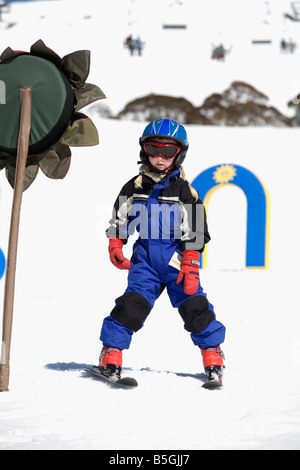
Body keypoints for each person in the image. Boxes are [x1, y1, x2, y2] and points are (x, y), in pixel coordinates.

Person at [98, 119, 226, 385]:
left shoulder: (185, 191)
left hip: (176, 261)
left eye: (167, 152)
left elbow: (197, 229)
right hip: (144, 260)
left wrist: (191, 262)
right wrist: (115, 244)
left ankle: (212, 353)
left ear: (179, 153)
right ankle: (111, 353)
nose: (159, 157)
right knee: (133, 304)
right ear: (144, 150)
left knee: (194, 304)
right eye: (153, 149)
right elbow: (120, 218)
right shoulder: (134, 187)